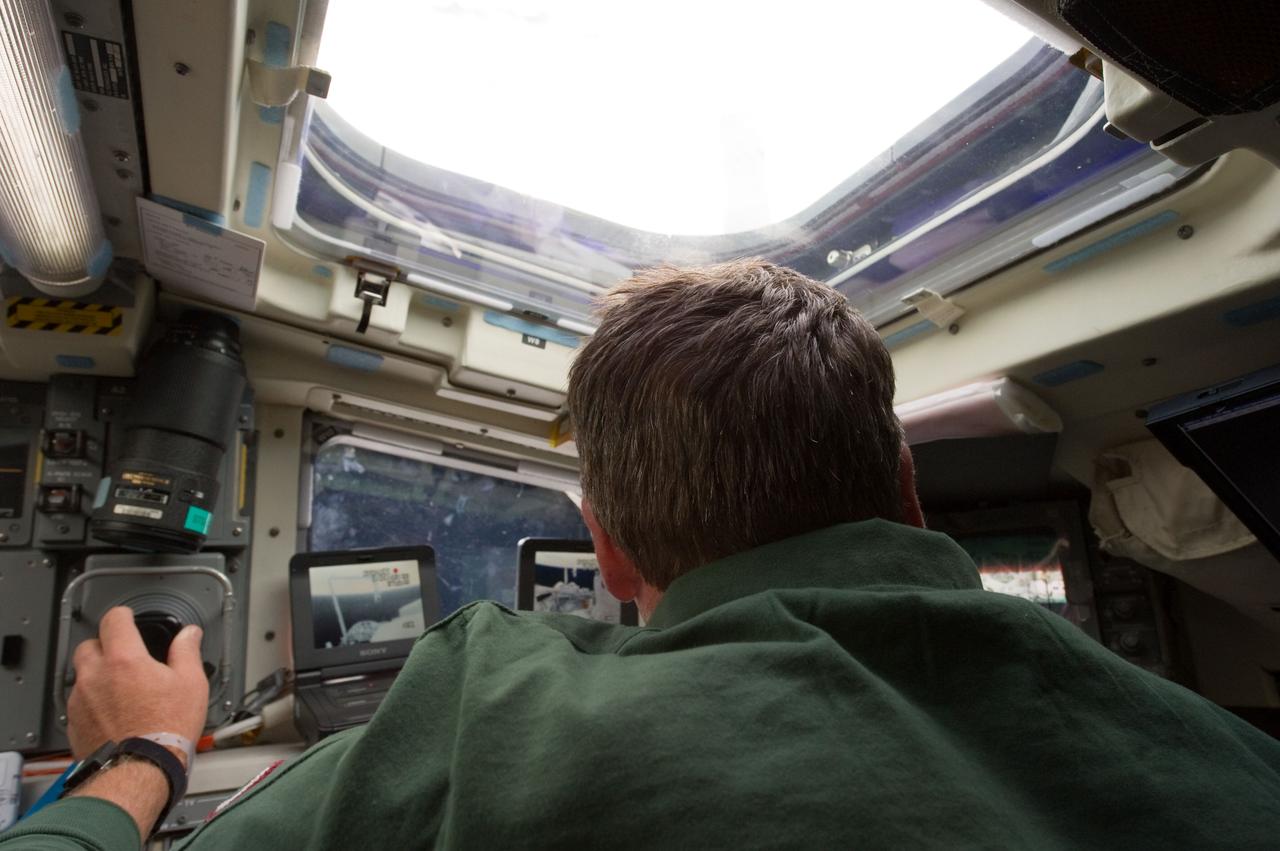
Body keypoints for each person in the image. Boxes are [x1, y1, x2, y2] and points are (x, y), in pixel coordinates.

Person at [3, 260, 1279, 850]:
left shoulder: (492, 705)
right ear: (906, 492)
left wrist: (140, 754)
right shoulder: (1221, 754)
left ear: (606, 549)